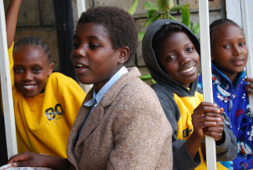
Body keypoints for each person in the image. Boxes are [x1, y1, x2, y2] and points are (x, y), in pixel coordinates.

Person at [8, 6, 173, 170]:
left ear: (122, 54)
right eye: (76, 43)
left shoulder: (138, 105)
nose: (78, 51)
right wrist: (48, 161)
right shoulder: (98, 97)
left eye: (93, 45)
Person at [142, 19, 238, 170]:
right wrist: (196, 136)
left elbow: (230, 152)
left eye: (189, 49)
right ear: (158, 66)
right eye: (171, 57)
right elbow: (165, 162)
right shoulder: (159, 99)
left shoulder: (201, 94)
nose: (185, 59)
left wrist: (219, 136)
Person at [3, 0, 86, 159]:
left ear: (49, 68)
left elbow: (92, 126)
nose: (27, 77)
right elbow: (2, 49)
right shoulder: (11, 95)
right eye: (19, 69)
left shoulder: (60, 84)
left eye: (36, 69)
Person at [198, 18, 253, 170]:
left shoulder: (249, 86)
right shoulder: (200, 88)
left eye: (241, 44)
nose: (238, 51)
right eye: (227, 46)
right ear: (211, 53)